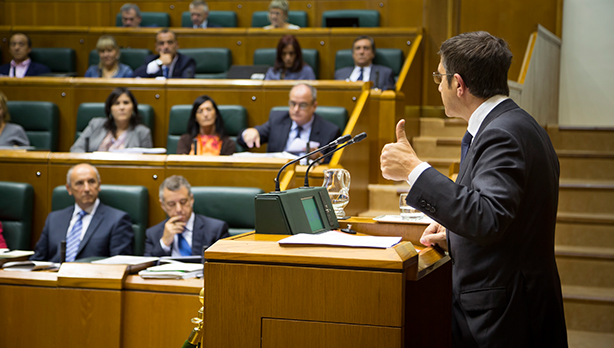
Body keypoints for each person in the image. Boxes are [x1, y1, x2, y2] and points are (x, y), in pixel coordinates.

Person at [380, 31, 567, 346]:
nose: (438, 86)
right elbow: (508, 221)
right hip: (511, 303)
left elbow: (487, 218)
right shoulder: (513, 123)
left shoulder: (502, 134)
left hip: (506, 316)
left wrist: (413, 169)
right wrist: (453, 237)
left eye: (440, 78)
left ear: (458, 83)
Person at [31, 163, 134, 262]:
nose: (87, 188)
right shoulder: (54, 219)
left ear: (99, 185)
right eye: (79, 183)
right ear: (69, 189)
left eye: (91, 182)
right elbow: (38, 259)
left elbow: (119, 265)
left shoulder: (117, 220)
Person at [237, 83, 340, 163]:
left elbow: (333, 165)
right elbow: (243, 140)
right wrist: (248, 132)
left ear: (314, 106)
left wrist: (319, 158)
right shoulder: (278, 120)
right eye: (292, 103)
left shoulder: (329, 131)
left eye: (302, 105)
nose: (296, 109)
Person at [144, 175, 229, 257]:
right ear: (162, 205)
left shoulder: (216, 230)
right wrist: (164, 243)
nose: (179, 209)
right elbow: (147, 266)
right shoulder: (153, 234)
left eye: (183, 202)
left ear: (191, 199)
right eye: (171, 204)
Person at [70, 87, 153, 152]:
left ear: (133, 108)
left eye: (126, 103)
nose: (122, 107)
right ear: (110, 109)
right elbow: (76, 149)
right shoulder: (95, 124)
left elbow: (147, 161)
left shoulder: (143, 132)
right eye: (116, 103)